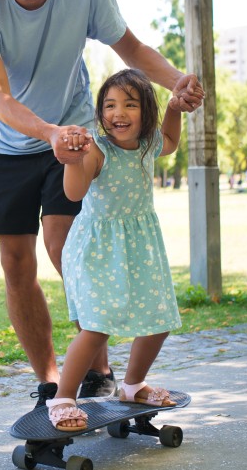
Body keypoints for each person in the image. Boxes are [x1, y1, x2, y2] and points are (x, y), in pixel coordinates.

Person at [0, 0, 204, 407]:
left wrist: (178, 81)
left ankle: (98, 370)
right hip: (10, 144)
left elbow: (131, 49)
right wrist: (46, 131)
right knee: (15, 262)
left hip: (76, 137)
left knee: (65, 244)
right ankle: (50, 378)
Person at [48, 68, 184, 430]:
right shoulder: (96, 149)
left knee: (159, 319)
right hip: (97, 249)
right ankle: (63, 397)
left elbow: (171, 139)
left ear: (146, 113)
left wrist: (174, 107)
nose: (117, 113)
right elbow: (74, 194)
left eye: (129, 104)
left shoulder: (148, 143)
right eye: (109, 105)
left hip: (140, 247)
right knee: (96, 326)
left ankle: (132, 384)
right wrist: (73, 159)